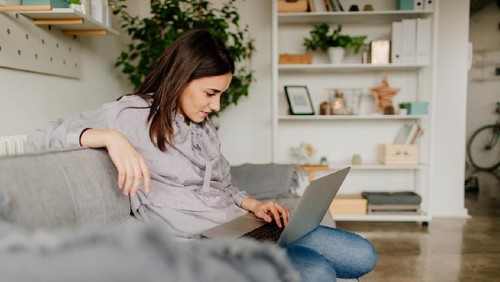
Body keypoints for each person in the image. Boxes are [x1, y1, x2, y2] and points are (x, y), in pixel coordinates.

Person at [27, 29, 377, 281]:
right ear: (181, 78)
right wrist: (106, 137)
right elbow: (39, 136)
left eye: (221, 94)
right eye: (211, 92)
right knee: (318, 272)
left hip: (241, 226)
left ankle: (278, 249)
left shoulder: (203, 130)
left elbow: (223, 185)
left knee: (363, 255)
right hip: (203, 244)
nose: (217, 104)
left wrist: (252, 205)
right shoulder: (130, 115)